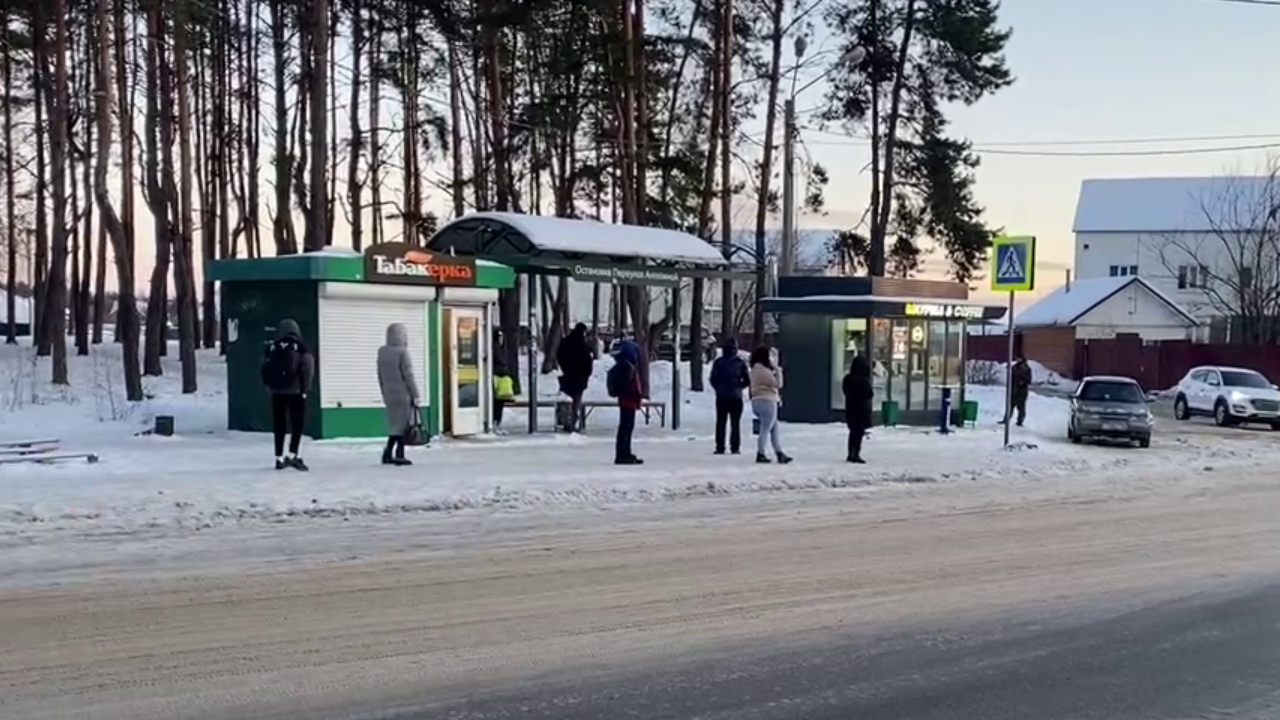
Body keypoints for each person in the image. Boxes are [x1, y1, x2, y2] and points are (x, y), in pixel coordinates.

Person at [261, 318, 315, 471]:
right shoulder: (300, 347)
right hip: (296, 392)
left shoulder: (272, 347)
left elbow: (264, 368)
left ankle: (278, 457)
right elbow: (307, 368)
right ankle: (293, 455)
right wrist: (305, 389)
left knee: (279, 424)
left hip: (277, 392)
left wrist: (268, 386)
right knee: (297, 423)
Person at [377, 322, 421, 466]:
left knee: (394, 424)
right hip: (403, 393)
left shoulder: (382, 352)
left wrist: (384, 391)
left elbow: (380, 375)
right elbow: (408, 375)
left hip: (389, 393)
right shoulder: (403, 352)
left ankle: (388, 453)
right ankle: (399, 454)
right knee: (402, 424)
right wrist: (415, 394)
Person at [748, 346, 792, 464]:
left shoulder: (754, 369)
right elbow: (778, 384)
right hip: (767, 401)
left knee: (774, 428)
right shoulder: (763, 370)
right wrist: (778, 369)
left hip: (757, 400)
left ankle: (779, 452)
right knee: (766, 429)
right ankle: (761, 453)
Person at [709, 338, 749, 455]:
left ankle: (720, 446)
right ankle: (735, 447)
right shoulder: (739, 363)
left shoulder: (718, 362)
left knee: (721, 422)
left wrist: (718, 388)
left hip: (721, 396)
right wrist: (739, 387)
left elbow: (713, 379)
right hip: (736, 396)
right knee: (735, 423)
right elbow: (747, 380)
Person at [607, 339, 644, 465]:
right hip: (628, 399)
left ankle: (625, 452)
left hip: (627, 399)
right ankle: (623, 454)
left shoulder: (625, 364)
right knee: (626, 427)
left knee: (626, 427)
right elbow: (628, 383)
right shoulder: (626, 366)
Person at [556, 323, 595, 432]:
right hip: (579, 378)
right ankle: (572, 422)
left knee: (566, 399)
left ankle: (565, 421)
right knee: (576, 401)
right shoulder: (583, 345)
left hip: (568, 375)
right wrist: (586, 373)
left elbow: (559, 355)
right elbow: (588, 362)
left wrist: (565, 368)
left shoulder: (565, 342)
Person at [843, 355, 874, 464]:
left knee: (852, 432)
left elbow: (845, 391)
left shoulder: (848, 379)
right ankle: (855, 454)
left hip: (850, 408)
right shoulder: (863, 380)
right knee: (858, 433)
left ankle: (851, 453)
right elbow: (869, 394)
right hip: (861, 410)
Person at [1003, 355, 1033, 426]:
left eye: (1019, 359)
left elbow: (1029, 380)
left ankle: (1020, 421)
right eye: (1017, 359)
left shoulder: (1026, 369)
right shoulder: (1014, 367)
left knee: (1021, 407)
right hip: (1013, 390)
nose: (1017, 360)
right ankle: (1006, 420)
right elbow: (1011, 377)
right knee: (1009, 406)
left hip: (1021, 391)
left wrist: (1023, 382)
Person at [493, 363, 515, 434]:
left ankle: (495, 423)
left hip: (497, 374)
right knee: (499, 402)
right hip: (503, 374)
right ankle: (497, 423)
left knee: (497, 402)